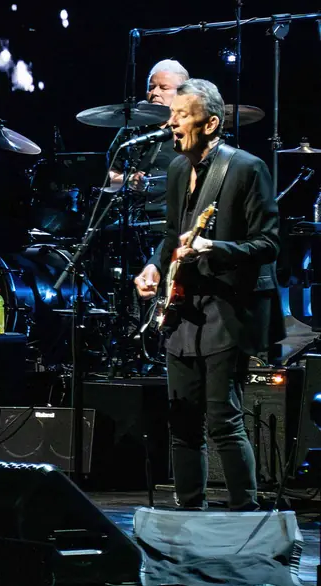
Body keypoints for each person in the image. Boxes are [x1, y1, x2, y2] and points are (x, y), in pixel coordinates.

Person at [134, 78, 283, 510]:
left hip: (228, 308)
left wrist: (214, 248)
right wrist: (152, 268)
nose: (172, 124)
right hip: (184, 309)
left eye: (182, 116)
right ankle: (189, 511)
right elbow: (168, 237)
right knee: (182, 420)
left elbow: (269, 244)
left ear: (212, 123)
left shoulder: (246, 168)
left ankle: (244, 515)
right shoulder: (179, 169)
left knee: (222, 419)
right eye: (172, 115)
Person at [108, 59, 190, 219]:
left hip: (178, 220)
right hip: (133, 219)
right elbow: (111, 176)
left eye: (164, 88)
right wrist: (129, 181)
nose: (155, 93)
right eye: (151, 88)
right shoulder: (131, 129)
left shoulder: (191, 132)